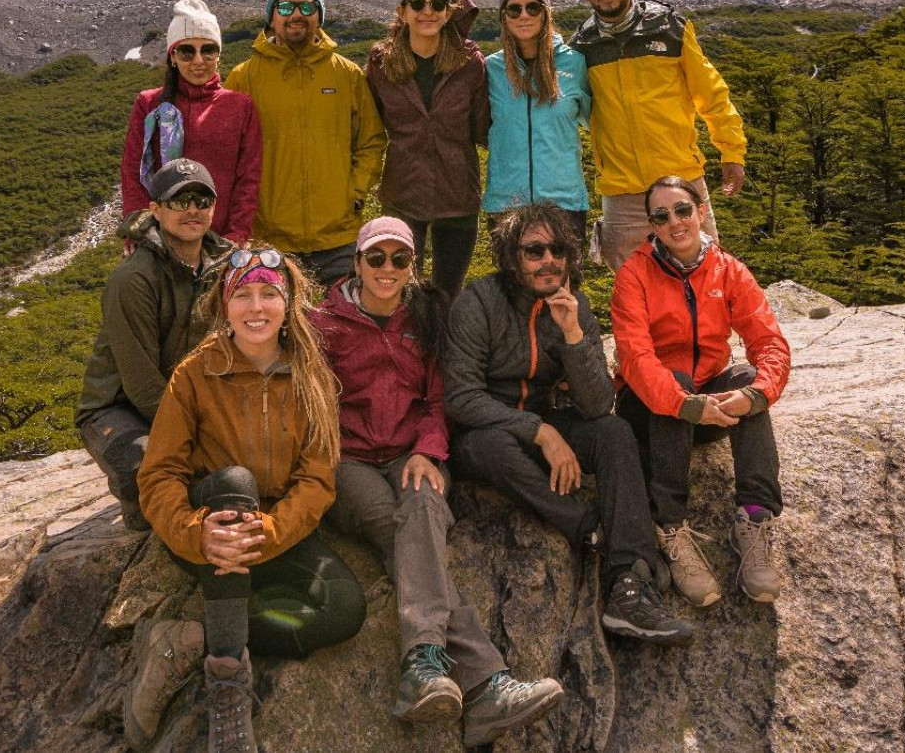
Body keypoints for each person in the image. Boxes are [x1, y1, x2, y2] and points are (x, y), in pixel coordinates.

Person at [311, 217, 565, 745]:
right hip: (348, 461)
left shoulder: (424, 316)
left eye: (399, 259)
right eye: (376, 258)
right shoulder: (323, 323)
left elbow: (438, 397)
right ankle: (483, 683)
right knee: (399, 528)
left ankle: (425, 671)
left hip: (411, 451)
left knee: (423, 507)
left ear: (412, 266)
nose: (387, 269)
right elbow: (311, 405)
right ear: (356, 262)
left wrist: (429, 450)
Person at [132, 246, 367, 753]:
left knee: (344, 610)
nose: (255, 307)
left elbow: (318, 479)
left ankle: (194, 638)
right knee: (233, 482)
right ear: (225, 303)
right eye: (243, 295)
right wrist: (196, 534)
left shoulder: (312, 376)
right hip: (206, 523)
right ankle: (228, 685)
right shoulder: (196, 373)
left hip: (269, 529)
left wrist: (270, 531)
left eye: (268, 294)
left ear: (288, 304)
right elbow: (159, 475)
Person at [440, 203, 696, 645]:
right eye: (533, 251)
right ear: (510, 257)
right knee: (489, 446)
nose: (548, 261)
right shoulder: (478, 302)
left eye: (557, 249)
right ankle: (588, 526)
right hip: (489, 433)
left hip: (547, 422)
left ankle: (629, 586)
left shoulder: (573, 305)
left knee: (614, 434)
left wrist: (575, 336)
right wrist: (540, 432)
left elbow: (598, 406)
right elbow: (462, 397)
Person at [611, 176, 790, 609]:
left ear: (702, 212)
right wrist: (685, 404)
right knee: (675, 379)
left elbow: (768, 343)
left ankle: (754, 518)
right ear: (651, 225)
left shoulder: (729, 270)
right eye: (661, 215)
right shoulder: (634, 274)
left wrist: (758, 393)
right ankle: (670, 526)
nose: (675, 222)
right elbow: (635, 358)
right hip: (648, 408)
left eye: (683, 210)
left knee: (749, 378)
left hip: (707, 398)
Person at [567, 0, 748, 276]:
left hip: (680, 179)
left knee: (707, 279)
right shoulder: (581, 47)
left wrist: (732, 151)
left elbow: (711, 94)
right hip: (622, 195)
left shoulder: (669, 28)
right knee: (633, 290)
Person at [79, 158, 233, 531]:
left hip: (189, 399)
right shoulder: (133, 279)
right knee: (150, 467)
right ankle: (134, 494)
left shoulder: (226, 265)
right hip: (117, 409)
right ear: (156, 210)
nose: (193, 210)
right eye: (180, 201)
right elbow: (140, 385)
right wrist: (193, 438)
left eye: (202, 200)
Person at [226, 0, 387, 287]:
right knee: (278, 329)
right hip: (271, 239)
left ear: (319, 16)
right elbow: (228, 153)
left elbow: (372, 140)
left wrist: (354, 193)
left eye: (306, 7)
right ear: (271, 18)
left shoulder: (347, 74)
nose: (296, 14)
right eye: (285, 8)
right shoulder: (243, 77)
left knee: (342, 327)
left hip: (338, 237)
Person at [365, 0, 490, 296]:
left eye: (437, 4)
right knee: (402, 291)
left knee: (448, 292)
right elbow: (370, 126)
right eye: (418, 3)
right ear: (402, 12)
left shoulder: (470, 62)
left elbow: (482, 128)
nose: (428, 11)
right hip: (403, 194)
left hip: (459, 194)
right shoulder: (381, 63)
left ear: (448, 12)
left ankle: (444, 348)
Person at [120, 0, 261, 242]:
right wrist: (141, 235)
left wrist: (236, 238)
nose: (198, 61)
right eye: (187, 51)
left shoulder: (241, 107)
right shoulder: (148, 104)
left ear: (218, 56)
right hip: (160, 241)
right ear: (172, 57)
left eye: (208, 50)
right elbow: (133, 172)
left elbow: (248, 179)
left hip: (219, 242)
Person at [482, 0, 592, 245]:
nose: (523, 15)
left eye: (533, 7)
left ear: (546, 14)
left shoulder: (575, 64)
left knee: (563, 286)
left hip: (564, 204)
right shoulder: (490, 70)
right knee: (510, 287)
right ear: (504, 17)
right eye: (513, 8)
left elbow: (598, 123)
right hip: (506, 204)